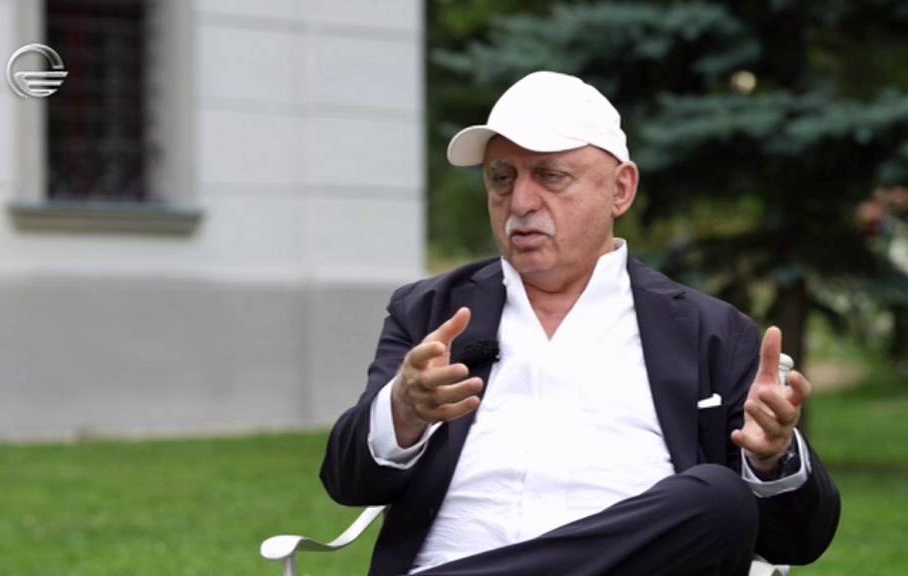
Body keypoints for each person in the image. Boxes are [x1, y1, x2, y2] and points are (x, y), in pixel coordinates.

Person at [320, 71, 840, 576]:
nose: (520, 202)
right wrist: (403, 410)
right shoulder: (430, 312)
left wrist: (773, 459)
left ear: (620, 189)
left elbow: (798, 539)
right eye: (501, 178)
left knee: (719, 500)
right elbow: (347, 481)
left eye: (550, 176)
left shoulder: (710, 333)